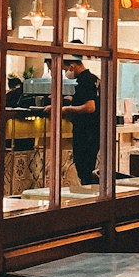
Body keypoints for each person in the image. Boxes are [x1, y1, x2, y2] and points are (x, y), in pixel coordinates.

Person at [47, 54, 100, 185]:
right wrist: (73, 100)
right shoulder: (94, 79)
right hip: (94, 131)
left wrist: (65, 109)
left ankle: (88, 198)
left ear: (72, 66)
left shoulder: (85, 80)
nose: (66, 73)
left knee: (84, 169)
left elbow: (90, 107)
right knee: (87, 168)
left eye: (65, 70)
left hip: (86, 132)